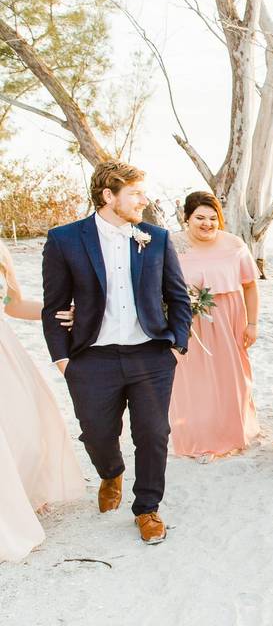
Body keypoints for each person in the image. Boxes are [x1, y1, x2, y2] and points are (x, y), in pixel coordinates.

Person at [41, 160, 193, 544]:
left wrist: (176, 344)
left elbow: (177, 296)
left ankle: (147, 509)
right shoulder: (64, 239)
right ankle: (111, 472)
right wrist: (62, 359)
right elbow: (53, 305)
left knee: (154, 433)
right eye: (135, 193)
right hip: (92, 358)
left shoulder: (155, 237)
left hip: (151, 356)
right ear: (109, 196)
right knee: (97, 433)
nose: (144, 200)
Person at [0, 241, 84, 561]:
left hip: (5, 353)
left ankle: (22, 495)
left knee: (26, 433)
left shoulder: (1, 252)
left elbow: (13, 304)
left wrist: (59, 312)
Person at [168, 192, 261, 460]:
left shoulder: (234, 245)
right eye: (200, 218)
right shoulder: (172, 245)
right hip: (189, 322)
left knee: (231, 376)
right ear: (187, 218)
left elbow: (250, 286)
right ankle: (197, 435)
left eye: (213, 218)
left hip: (229, 317)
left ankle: (230, 432)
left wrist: (252, 323)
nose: (207, 224)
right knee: (193, 379)